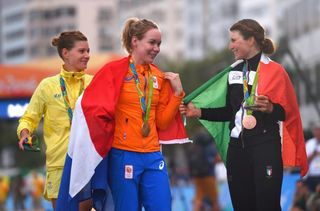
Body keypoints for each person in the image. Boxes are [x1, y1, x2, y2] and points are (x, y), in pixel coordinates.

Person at [180, 19, 308, 211]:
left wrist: (271, 108)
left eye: (234, 40)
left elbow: (287, 113)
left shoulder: (275, 71)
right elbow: (229, 112)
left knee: (267, 206)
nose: (230, 46)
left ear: (251, 41)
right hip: (237, 150)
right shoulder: (232, 71)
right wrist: (199, 112)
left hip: (264, 146)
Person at [17, 31, 93, 210]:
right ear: (65, 53)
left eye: (88, 51)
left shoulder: (94, 83)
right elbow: (29, 118)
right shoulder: (47, 86)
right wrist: (24, 133)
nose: (87, 55)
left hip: (87, 162)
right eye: (82, 51)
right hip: (59, 164)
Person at [187, 128, 220, 211]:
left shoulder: (192, 148)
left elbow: (189, 164)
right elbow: (217, 158)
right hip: (209, 175)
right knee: (214, 199)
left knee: (198, 199)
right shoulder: (209, 146)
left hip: (197, 177)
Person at [305, 122, 320, 192]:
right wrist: (313, 155)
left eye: (318, 130)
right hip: (312, 175)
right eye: (315, 130)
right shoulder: (309, 143)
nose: (317, 132)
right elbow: (305, 160)